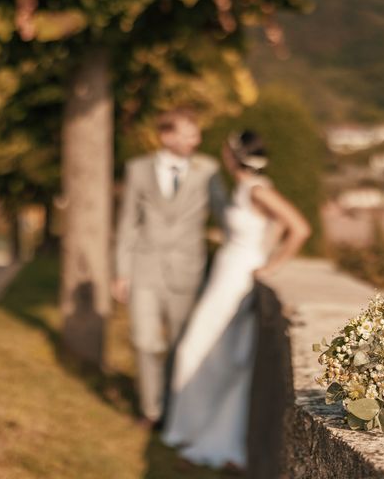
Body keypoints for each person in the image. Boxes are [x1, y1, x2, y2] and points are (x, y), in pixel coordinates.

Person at [162, 130, 311, 470]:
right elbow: (273, 229)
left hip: (236, 279)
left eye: (226, 149)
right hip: (227, 274)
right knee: (212, 354)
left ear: (234, 154)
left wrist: (270, 265)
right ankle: (192, 428)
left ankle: (190, 429)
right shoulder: (246, 187)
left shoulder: (257, 189)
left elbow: (299, 228)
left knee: (195, 351)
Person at [113, 108, 228, 428]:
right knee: (145, 342)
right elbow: (127, 224)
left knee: (180, 344)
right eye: (188, 133)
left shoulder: (208, 170)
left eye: (196, 134)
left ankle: (174, 409)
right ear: (166, 136)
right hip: (144, 269)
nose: (196, 140)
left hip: (187, 270)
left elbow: (224, 214)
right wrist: (122, 272)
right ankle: (151, 410)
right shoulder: (137, 170)